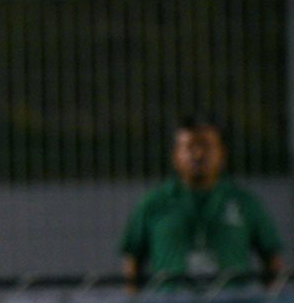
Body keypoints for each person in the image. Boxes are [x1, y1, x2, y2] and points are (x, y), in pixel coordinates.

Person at [120, 115, 284, 292]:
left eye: (206, 146)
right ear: (175, 155)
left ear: (222, 153)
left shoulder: (245, 203)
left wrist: (270, 302)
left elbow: (272, 256)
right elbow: (132, 258)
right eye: (189, 147)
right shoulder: (154, 203)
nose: (198, 154)